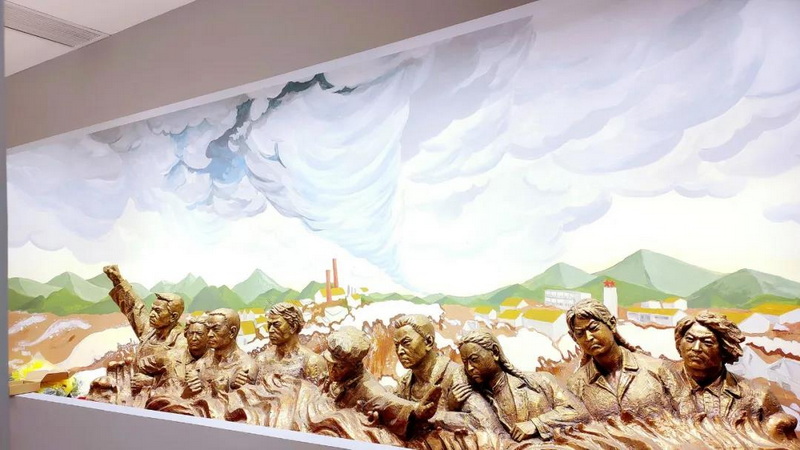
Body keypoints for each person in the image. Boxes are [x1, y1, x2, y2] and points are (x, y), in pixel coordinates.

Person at [673, 311, 797, 439]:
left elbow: (787, 443)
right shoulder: (663, 384)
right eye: (690, 339)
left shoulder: (758, 396)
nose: (696, 348)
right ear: (679, 343)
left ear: (725, 349)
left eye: (707, 342)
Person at [457, 330, 589, 441]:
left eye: (474, 360)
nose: (469, 368)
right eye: (465, 362)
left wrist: (536, 424)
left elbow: (579, 412)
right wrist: (454, 405)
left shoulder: (540, 381)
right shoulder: (476, 398)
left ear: (495, 352)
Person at [566, 299, 682, 419]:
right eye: (580, 333)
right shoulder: (576, 385)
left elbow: (688, 416)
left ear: (611, 323)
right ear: (574, 337)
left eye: (594, 328)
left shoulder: (658, 369)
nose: (588, 337)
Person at [391, 314, 503, 433]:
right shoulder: (405, 383)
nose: (400, 351)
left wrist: (437, 415)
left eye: (406, 343)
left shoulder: (456, 375)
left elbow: (483, 422)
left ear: (428, 342)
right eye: (397, 345)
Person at [323, 326, 441, 438]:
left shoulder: (368, 388)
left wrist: (416, 409)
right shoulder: (336, 378)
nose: (332, 370)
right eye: (329, 363)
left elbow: (387, 401)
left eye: (341, 367)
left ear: (355, 366)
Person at [103, 265, 186, 399]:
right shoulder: (150, 331)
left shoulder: (182, 342)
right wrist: (118, 281)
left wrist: (151, 382)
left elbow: (181, 380)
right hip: (136, 396)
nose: (152, 314)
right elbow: (134, 307)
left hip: (160, 400)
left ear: (173, 317)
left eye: (158, 311)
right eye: (152, 309)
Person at [256, 302, 327, 384]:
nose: (271, 330)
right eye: (269, 325)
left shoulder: (311, 362)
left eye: (276, 324)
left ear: (293, 327)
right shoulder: (262, 360)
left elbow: (317, 391)